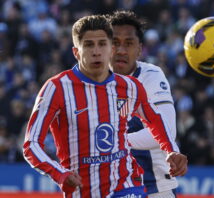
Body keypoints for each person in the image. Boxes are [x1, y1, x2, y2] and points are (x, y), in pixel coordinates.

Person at [23, 14, 187, 198]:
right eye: (88, 45)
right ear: (76, 52)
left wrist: (171, 149)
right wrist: (59, 173)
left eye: (102, 44)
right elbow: (31, 145)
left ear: (110, 49)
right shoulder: (56, 88)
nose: (96, 51)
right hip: (83, 191)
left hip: (129, 187)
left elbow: (156, 121)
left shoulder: (130, 86)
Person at [110, 11, 188, 198]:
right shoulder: (90, 81)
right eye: (114, 42)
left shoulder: (151, 76)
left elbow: (168, 130)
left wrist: (112, 143)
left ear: (139, 49)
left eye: (128, 43)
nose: (121, 50)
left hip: (154, 186)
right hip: (110, 185)